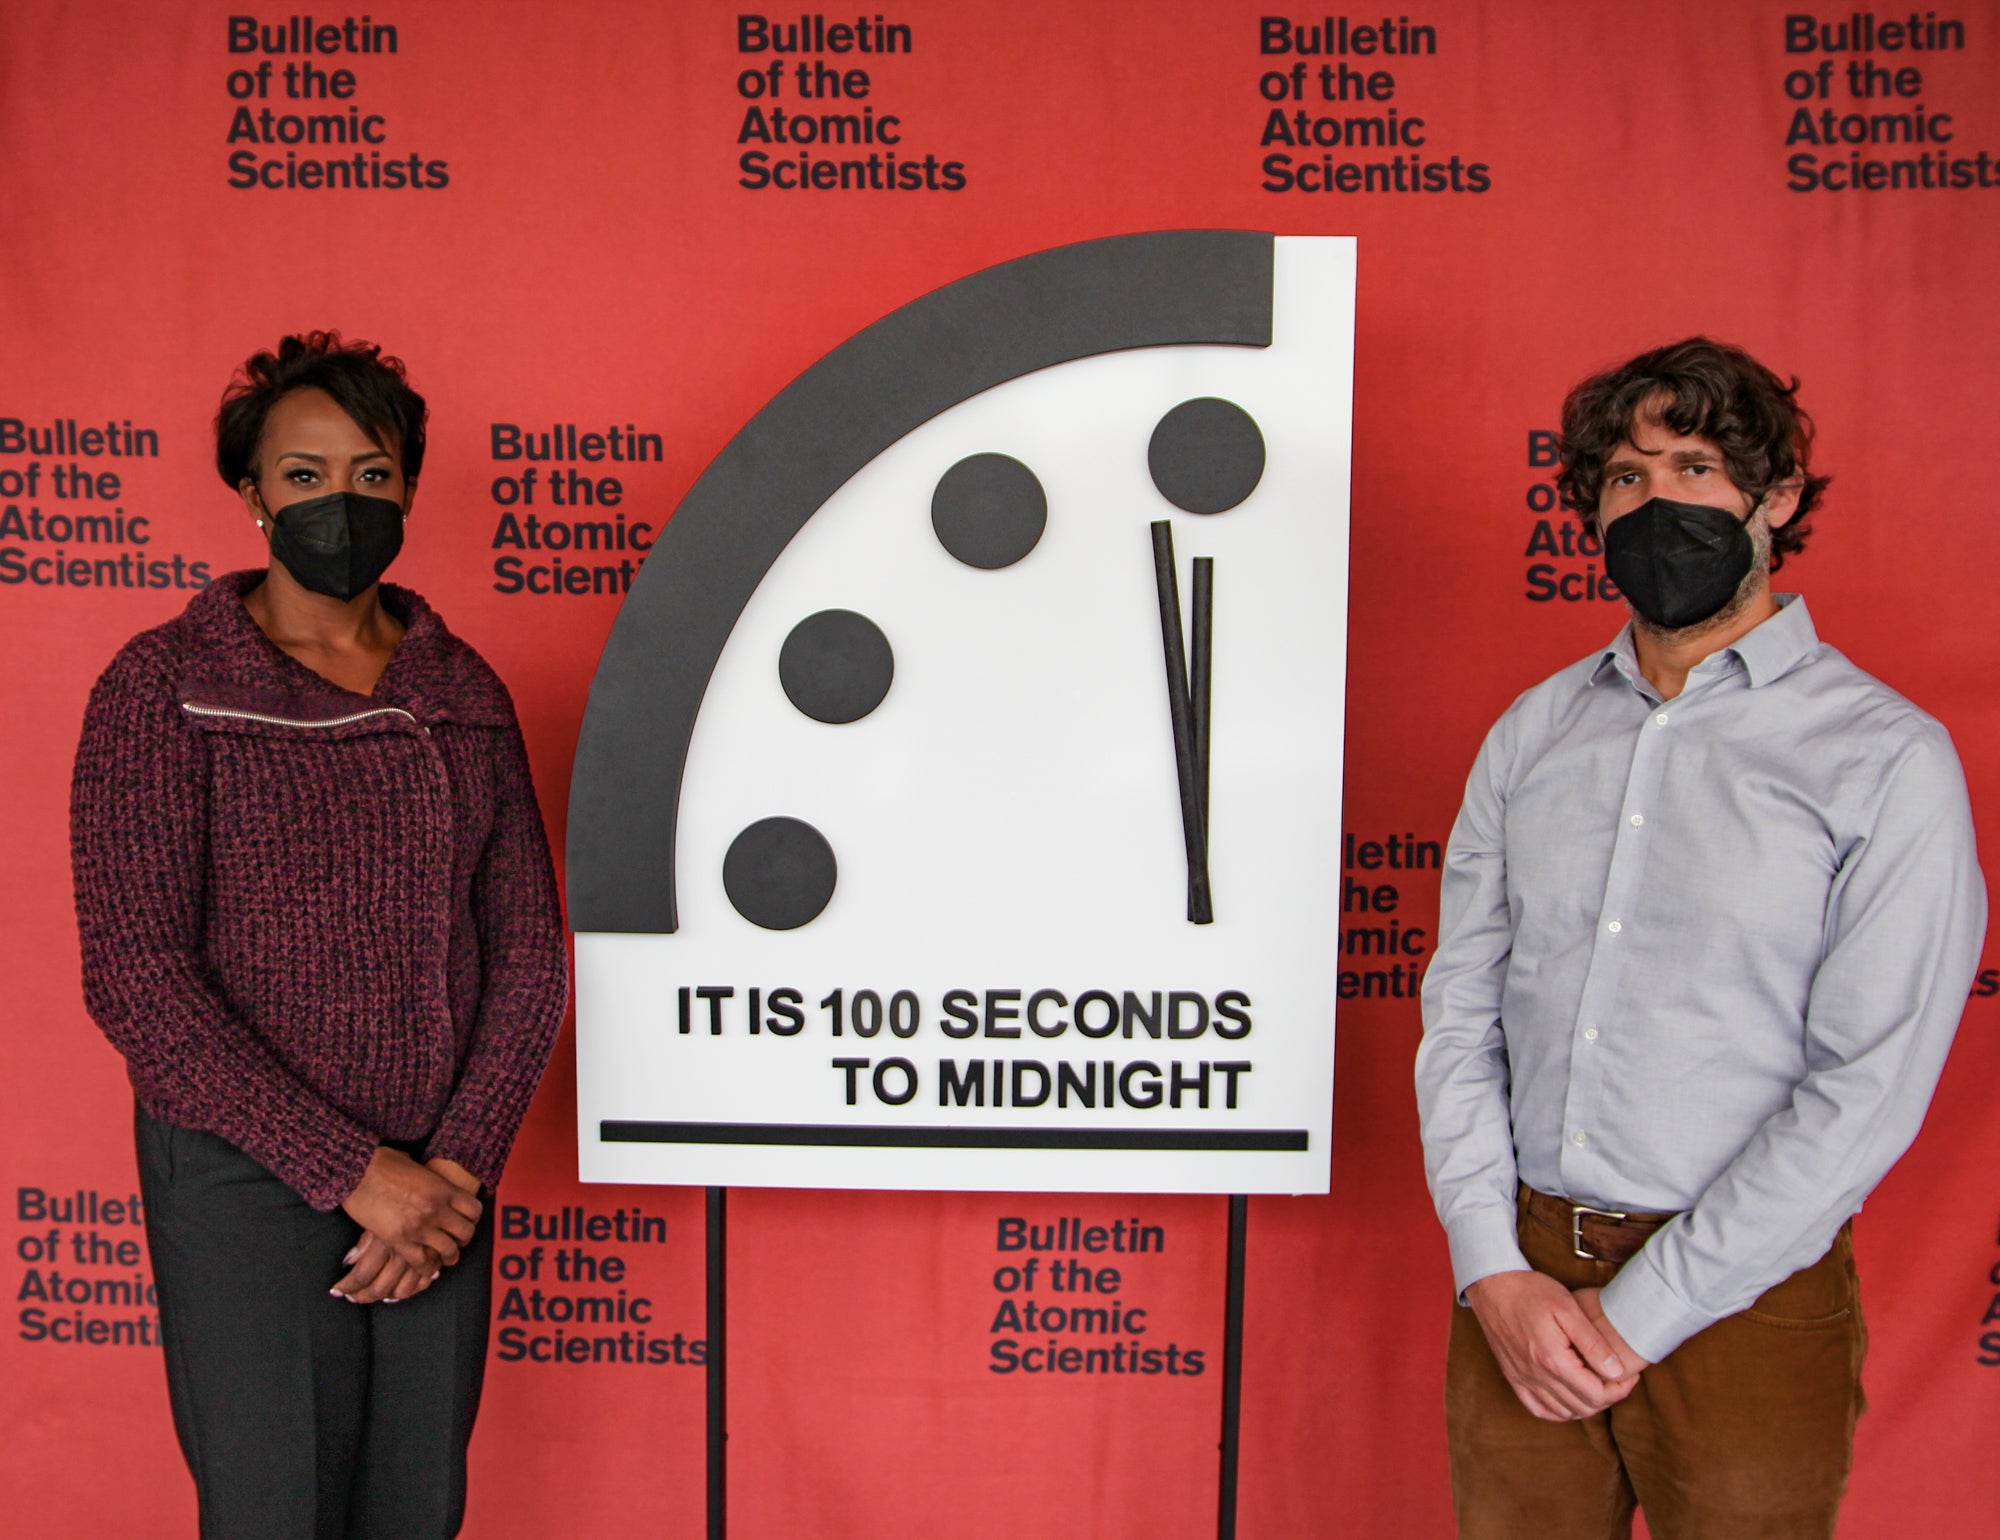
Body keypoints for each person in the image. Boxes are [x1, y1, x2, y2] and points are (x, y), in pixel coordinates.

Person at [1415, 337, 1985, 1538]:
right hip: (1522, 1281)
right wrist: (1489, 1264)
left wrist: (1636, 1314)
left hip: (1745, 1288)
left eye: (1692, 467)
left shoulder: (1883, 757)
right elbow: (1459, 1012)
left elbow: (1864, 1090)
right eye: (1624, 476)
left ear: (1772, 498)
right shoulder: (1530, 735)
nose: (1655, 502)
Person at [70, 332, 568, 1539]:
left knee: (414, 1509)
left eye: (372, 474)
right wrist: (355, 1174)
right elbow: (136, 978)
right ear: (249, 493)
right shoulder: (165, 684)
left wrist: (451, 1173)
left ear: (405, 488)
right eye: (303, 474)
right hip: (246, 1177)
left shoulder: (463, 690)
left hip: (436, 1177)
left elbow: (530, 958)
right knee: (274, 1510)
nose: (339, 502)